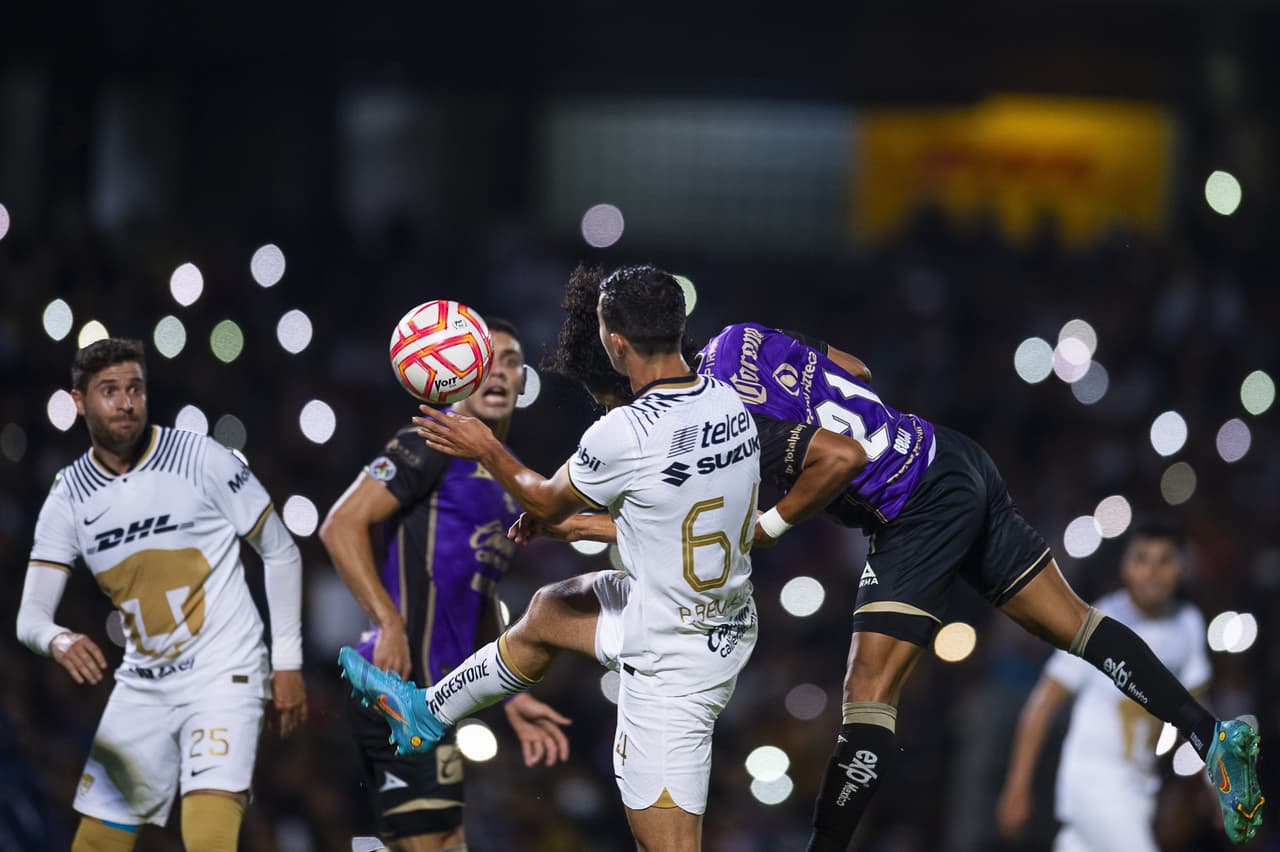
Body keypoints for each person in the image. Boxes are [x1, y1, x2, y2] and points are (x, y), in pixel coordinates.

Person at [538, 285, 1265, 849]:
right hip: (950, 454)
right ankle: (1210, 735)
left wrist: (770, 522)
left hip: (913, 507)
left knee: (867, 690)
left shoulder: (723, 430)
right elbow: (854, 369)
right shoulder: (739, 340)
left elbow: (818, 469)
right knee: (1078, 627)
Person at [339, 265, 856, 851]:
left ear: (615, 343)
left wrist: (487, 446)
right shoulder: (726, 398)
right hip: (719, 619)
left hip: (669, 665)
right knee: (550, 611)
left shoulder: (626, 432)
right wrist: (583, 525)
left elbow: (540, 495)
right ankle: (426, 713)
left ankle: (426, 715)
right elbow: (676, 508)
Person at [16, 338, 306, 852]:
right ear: (79, 401)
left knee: (207, 833)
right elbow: (30, 617)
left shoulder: (200, 457)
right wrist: (57, 639)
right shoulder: (69, 496)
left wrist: (287, 660)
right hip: (144, 683)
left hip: (225, 670)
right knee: (94, 845)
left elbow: (280, 551)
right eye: (109, 391)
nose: (126, 402)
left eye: (135, 389)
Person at [319, 317, 573, 852]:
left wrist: (508, 695)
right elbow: (340, 525)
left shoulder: (511, 479)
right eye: (487, 361)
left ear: (525, 379)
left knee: (444, 842)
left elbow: (479, 602)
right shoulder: (430, 440)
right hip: (396, 687)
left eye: (511, 361)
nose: (499, 373)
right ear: (457, 373)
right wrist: (387, 622)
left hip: (441, 702)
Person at [996, 522, 1214, 852]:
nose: (1153, 572)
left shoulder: (1188, 623)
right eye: (1142, 559)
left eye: (1164, 560)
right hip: (1095, 781)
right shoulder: (1096, 623)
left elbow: (1199, 715)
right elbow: (1043, 702)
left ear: (1181, 567)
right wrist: (1017, 785)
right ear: (1125, 567)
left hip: (1140, 787)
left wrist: (1216, 787)